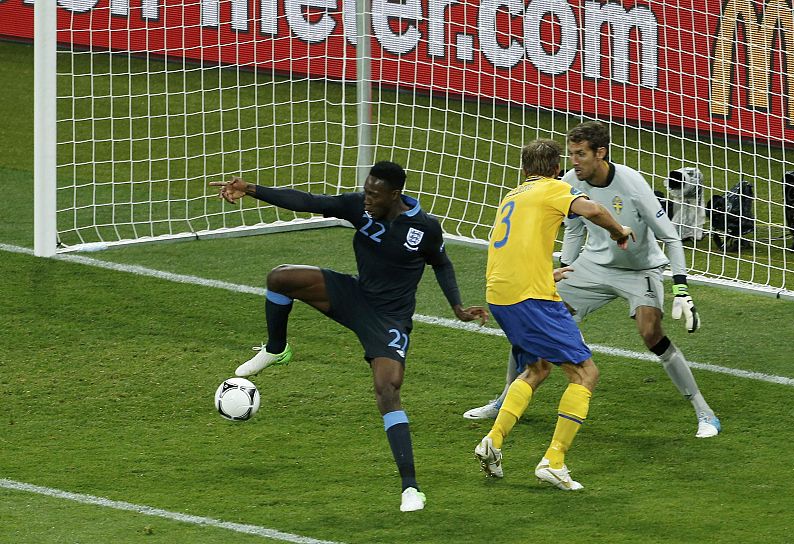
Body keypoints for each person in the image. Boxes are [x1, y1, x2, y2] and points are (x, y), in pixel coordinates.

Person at [210, 161, 487, 512]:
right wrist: (251, 189)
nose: (367, 199)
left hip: (388, 318)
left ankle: (410, 488)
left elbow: (442, 263)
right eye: (366, 191)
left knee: (387, 390)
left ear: (394, 194)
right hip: (355, 295)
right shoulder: (359, 207)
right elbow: (309, 202)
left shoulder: (424, 228)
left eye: (374, 194)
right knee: (280, 278)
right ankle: (276, 349)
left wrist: (457, 306)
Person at [464, 121, 722, 439]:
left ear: (600, 153)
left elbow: (670, 237)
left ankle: (704, 412)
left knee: (651, 332)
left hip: (640, 270)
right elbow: (573, 232)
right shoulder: (569, 181)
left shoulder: (631, 183)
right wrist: (564, 271)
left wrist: (681, 290)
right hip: (592, 266)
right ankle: (505, 398)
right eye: (571, 154)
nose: (573, 161)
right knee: (534, 319)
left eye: (581, 154)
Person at [473, 139, 633, 490]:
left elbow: (513, 247)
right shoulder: (553, 188)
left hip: (500, 295)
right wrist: (618, 231)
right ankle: (554, 460)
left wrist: (546, 274)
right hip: (532, 298)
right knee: (585, 373)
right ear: (557, 169)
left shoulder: (512, 196)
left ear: (523, 169)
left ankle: (493, 441)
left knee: (537, 368)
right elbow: (593, 210)